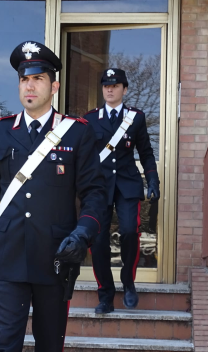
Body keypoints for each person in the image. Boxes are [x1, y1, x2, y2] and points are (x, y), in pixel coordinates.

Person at [0, 41, 106, 352]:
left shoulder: (77, 133)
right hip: (8, 257)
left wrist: (83, 233)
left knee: (49, 351)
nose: (30, 86)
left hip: (55, 258)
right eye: (24, 79)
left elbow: (94, 193)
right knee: (3, 348)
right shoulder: (0, 132)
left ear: (54, 85)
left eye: (38, 78)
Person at [83, 68, 160, 314]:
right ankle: (105, 295)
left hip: (127, 184)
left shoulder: (135, 118)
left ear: (124, 89)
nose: (109, 89)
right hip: (99, 187)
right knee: (99, 242)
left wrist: (152, 179)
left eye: (115, 86)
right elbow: (84, 157)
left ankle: (128, 282)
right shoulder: (90, 119)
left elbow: (146, 153)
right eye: (106, 85)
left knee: (129, 232)